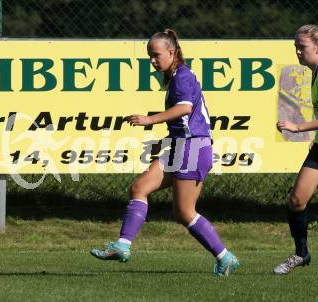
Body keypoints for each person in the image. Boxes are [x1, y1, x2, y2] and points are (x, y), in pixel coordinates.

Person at [90, 29, 240, 276]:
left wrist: (150, 120)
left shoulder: (182, 76)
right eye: (149, 55)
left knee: (184, 212)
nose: (152, 60)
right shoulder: (176, 77)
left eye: (155, 55)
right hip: (182, 145)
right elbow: (186, 120)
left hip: (194, 147)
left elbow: (184, 108)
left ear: (172, 52)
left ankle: (225, 257)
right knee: (139, 188)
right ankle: (122, 246)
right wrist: (166, 141)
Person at [275, 24, 318, 275]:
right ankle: (301, 254)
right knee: (297, 200)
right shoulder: (313, 72)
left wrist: (298, 126)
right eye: (295, 47)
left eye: (302, 47)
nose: (298, 52)